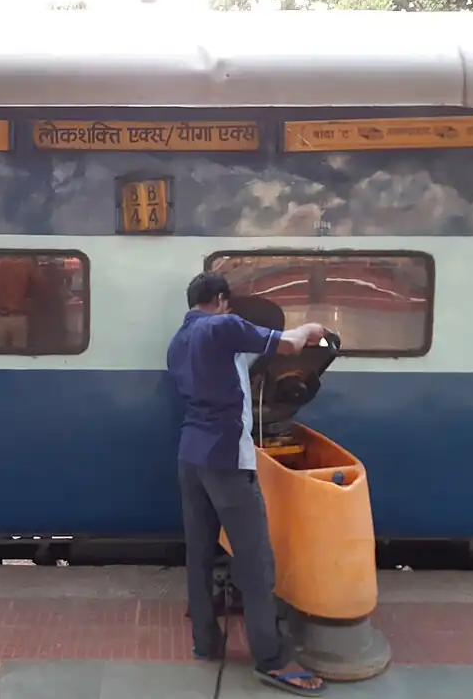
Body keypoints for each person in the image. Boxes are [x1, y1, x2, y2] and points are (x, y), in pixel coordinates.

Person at [166, 271, 328, 697]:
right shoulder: (225, 325)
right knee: (255, 561)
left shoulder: (179, 341)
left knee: (199, 551)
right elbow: (291, 344)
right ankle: (271, 659)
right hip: (225, 459)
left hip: (191, 455)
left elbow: (227, 372)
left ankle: (206, 641)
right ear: (221, 299)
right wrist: (316, 329)